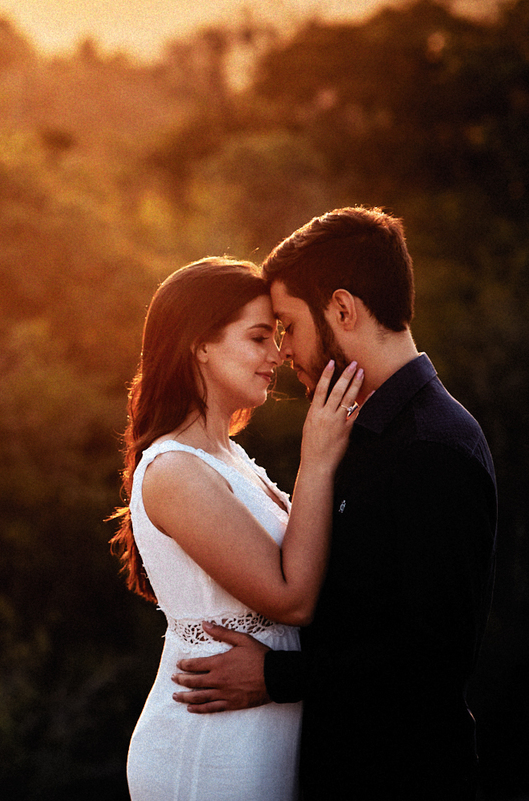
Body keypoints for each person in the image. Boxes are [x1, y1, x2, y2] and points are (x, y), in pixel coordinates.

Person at [171, 208, 499, 800]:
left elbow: (434, 662)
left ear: (343, 310)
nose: (284, 351)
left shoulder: (433, 446)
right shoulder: (355, 431)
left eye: (289, 326)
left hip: (406, 779)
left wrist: (274, 676)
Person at [109, 256, 364, 800]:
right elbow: (292, 601)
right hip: (210, 744)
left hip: (261, 733)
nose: (277, 355)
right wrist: (316, 461)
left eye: (275, 336)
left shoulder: (232, 457)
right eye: (257, 338)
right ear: (201, 344)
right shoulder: (175, 469)